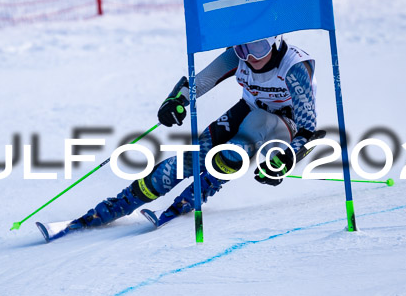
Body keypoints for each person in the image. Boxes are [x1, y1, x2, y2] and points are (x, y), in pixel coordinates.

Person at [37, 36, 319, 241]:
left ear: (277, 42)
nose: (251, 57)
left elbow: (308, 130)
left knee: (233, 152)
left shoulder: (293, 67)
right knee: (187, 160)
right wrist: (176, 101)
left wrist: (285, 158)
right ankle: (114, 207)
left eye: (258, 47)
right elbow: (199, 83)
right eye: (243, 48)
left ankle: (193, 197)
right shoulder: (239, 55)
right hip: (248, 108)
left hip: (283, 123)